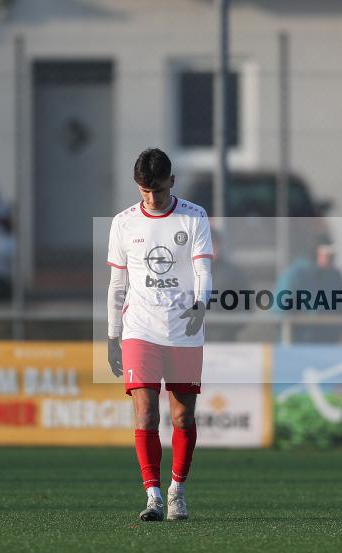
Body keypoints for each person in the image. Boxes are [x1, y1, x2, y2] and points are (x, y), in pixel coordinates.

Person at [107, 148, 213, 522]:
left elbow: (203, 271)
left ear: (172, 180)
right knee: (146, 413)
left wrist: (201, 304)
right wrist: (112, 336)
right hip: (140, 330)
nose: (151, 198)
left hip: (183, 327)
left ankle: (176, 492)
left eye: (158, 190)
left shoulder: (195, 217)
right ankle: (152, 496)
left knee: (183, 418)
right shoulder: (123, 223)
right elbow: (117, 283)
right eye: (144, 190)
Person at [272, 240, 342, 343]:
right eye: (327, 255)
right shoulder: (295, 275)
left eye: (332, 256)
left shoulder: (335, 276)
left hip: (328, 343)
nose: (331, 260)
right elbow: (280, 310)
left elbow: (341, 308)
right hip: (299, 344)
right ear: (316, 254)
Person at [204, 227, 250, 342]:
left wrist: (231, 325)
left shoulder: (233, 273)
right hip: (195, 339)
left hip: (226, 339)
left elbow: (247, 304)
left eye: (213, 244)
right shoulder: (188, 272)